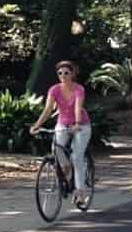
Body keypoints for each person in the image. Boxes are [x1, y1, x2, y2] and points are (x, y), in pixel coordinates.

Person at [29, 59, 92, 203]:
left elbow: (77, 107)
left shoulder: (78, 89)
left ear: (72, 74)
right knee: (56, 148)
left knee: (77, 157)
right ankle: (66, 166)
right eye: (60, 73)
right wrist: (37, 125)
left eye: (66, 73)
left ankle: (80, 192)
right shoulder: (54, 90)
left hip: (81, 125)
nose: (62, 75)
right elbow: (48, 109)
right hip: (62, 123)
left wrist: (76, 123)